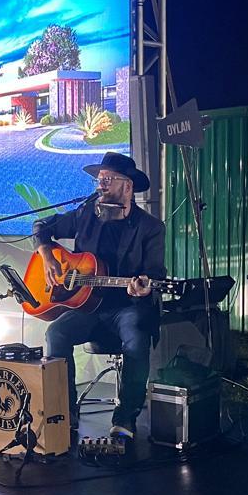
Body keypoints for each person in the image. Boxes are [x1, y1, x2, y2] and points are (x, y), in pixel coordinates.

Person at [33, 151, 165, 442]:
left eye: (107, 179)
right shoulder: (85, 214)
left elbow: (155, 274)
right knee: (56, 333)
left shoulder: (150, 228)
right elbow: (42, 227)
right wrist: (46, 254)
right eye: (99, 179)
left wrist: (144, 287)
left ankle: (125, 418)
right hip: (89, 307)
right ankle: (65, 413)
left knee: (136, 336)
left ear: (127, 186)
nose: (100, 185)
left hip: (128, 306)